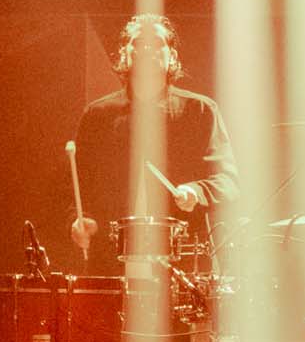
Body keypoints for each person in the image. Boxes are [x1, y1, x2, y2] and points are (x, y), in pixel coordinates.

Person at [68, 15, 235, 264]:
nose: (147, 48)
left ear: (172, 57)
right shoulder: (97, 115)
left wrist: (196, 191)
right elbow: (78, 187)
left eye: (157, 43)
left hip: (182, 262)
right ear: (125, 54)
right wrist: (81, 219)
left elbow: (228, 181)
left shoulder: (200, 111)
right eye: (138, 42)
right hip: (111, 260)